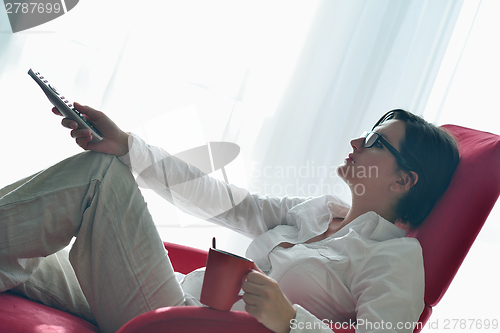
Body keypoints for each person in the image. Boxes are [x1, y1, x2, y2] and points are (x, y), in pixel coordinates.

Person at [0, 103, 459, 333]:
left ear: (405, 181)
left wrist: (291, 321)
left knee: (99, 176)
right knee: (17, 258)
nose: (357, 141)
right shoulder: (318, 211)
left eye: (376, 142)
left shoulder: (395, 257)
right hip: (174, 301)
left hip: (184, 325)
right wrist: (129, 147)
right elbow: (223, 200)